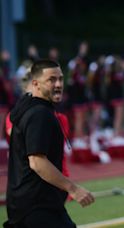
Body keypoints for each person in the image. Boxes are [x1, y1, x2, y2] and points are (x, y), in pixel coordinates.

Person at [5, 59, 95, 228]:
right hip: (38, 207)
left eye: (60, 78)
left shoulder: (28, 107)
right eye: (51, 80)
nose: (58, 84)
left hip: (27, 206)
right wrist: (73, 189)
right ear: (35, 84)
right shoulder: (40, 114)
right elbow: (37, 162)